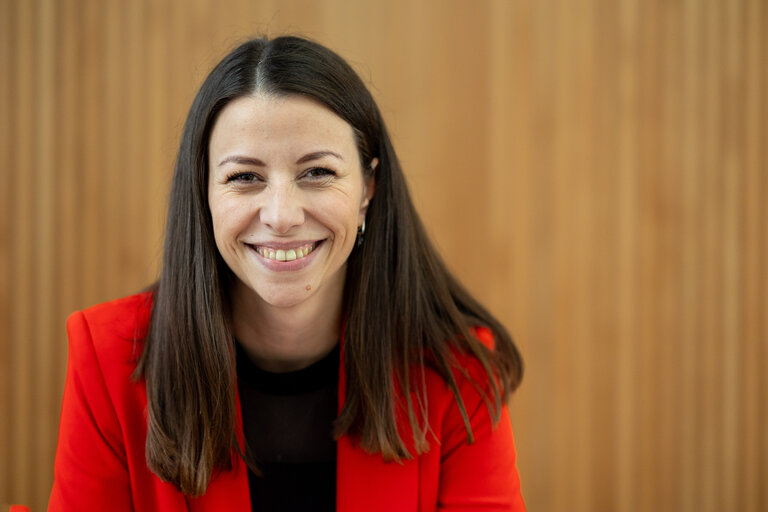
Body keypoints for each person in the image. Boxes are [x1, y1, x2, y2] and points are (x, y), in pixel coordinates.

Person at [48, 36, 525, 511]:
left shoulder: (457, 369)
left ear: (368, 188)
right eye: (244, 177)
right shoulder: (108, 358)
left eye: (317, 172)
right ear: (204, 193)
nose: (281, 215)